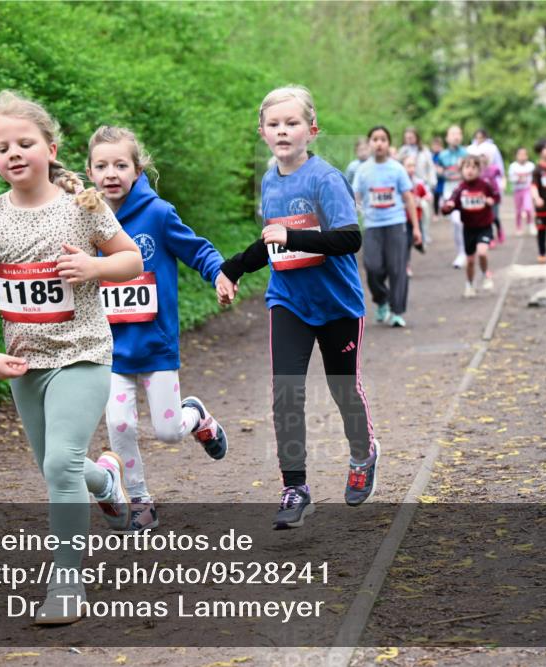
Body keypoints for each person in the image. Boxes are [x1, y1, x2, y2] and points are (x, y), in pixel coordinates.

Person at [0, 90, 143, 624]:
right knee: (61, 467)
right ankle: (106, 480)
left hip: (82, 354)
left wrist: (95, 270)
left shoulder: (82, 208)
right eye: (1, 146)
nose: (13, 153)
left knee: (59, 464)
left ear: (51, 148)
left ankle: (67, 583)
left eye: (25, 143)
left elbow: (130, 258)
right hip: (23, 364)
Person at [216, 85, 378, 529]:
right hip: (288, 299)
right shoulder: (270, 179)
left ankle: (363, 455)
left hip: (338, 304)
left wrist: (295, 237)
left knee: (343, 389)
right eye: (274, 124)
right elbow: (273, 240)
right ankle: (295, 487)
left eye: (292, 123)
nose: (283, 131)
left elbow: (350, 238)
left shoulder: (325, 179)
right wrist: (232, 268)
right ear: (263, 132)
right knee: (286, 391)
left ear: (312, 129)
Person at [85, 125, 229, 532]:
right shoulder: (85, 217)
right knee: (121, 425)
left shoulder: (158, 214)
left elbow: (196, 248)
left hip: (156, 346)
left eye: (120, 164)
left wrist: (218, 272)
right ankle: (141, 499)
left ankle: (196, 416)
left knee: (168, 432)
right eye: (101, 165)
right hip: (109, 350)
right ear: (90, 171)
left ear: (137, 168)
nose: (110, 173)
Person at [353, 126, 420, 328]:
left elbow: (408, 198)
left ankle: (397, 311)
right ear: (369, 143)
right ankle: (381, 300)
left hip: (395, 224)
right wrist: (352, 219)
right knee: (372, 267)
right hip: (372, 226)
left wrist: (415, 228)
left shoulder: (397, 169)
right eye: (375, 139)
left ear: (389, 143)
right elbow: (356, 197)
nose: (379, 143)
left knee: (397, 269)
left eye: (383, 139)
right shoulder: (362, 170)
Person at [442, 155, 497, 298]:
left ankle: (486, 275)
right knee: (470, 261)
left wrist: (491, 200)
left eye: (474, 167)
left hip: (484, 226)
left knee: (482, 252)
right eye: (467, 167)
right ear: (461, 170)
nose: (470, 171)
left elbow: (496, 196)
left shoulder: (484, 185)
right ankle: (470, 284)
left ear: (479, 170)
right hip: (469, 229)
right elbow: (449, 205)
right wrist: (449, 206)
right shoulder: (460, 189)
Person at [395, 127, 436, 245]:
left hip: (422, 184)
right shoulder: (402, 151)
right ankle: (409, 232)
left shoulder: (424, 151)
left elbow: (431, 168)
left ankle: (424, 233)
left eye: (411, 137)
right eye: (407, 137)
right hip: (406, 184)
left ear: (417, 137)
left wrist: (431, 184)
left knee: (425, 208)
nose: (409, 139)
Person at [437, 125, 469, 269]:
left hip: (465, 192)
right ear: (447, 137)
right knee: (457, 222)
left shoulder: (466, 153)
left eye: (458, 133)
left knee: (465, 223)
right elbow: (439, 172)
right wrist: (445, 173)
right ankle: (461, 253)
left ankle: (467, 251)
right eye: (453, 134)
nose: (456, 136)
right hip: (449, 193)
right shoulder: (442, 155)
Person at [402, 154, 431, 276]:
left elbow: (428, 196)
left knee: (416, 237)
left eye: (413, 166)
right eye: (408, 166)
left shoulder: (418, 183)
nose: (411, 168)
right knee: (406, 242)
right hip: (403, 218)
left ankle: (420, 244)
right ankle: (406, 266)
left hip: (417, 217)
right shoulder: (399, 182)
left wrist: (420, 200)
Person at [475, 149, 505, 246]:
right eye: (481, 159)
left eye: (485, 159)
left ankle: (499, 230)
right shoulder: (478, 171)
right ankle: (491, 238)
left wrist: (502, 185)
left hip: (494, 196)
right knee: (487, 218)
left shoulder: (494, 169)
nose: (483, 161)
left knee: (494, 217)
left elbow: (502, 177)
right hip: (483, 197)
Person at [508, 147, 536, 237]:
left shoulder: (531, 166)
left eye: (524, 154)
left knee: (528, 208)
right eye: (520, 154)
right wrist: (519, 179)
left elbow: (534, 179)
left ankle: (530, 223)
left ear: (527, 156)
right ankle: (518, 227)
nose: (522, 157)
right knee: (518, 210)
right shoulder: (513, 166)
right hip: (517, 190)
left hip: (527, 189)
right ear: (516, 156)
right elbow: (511, 178)